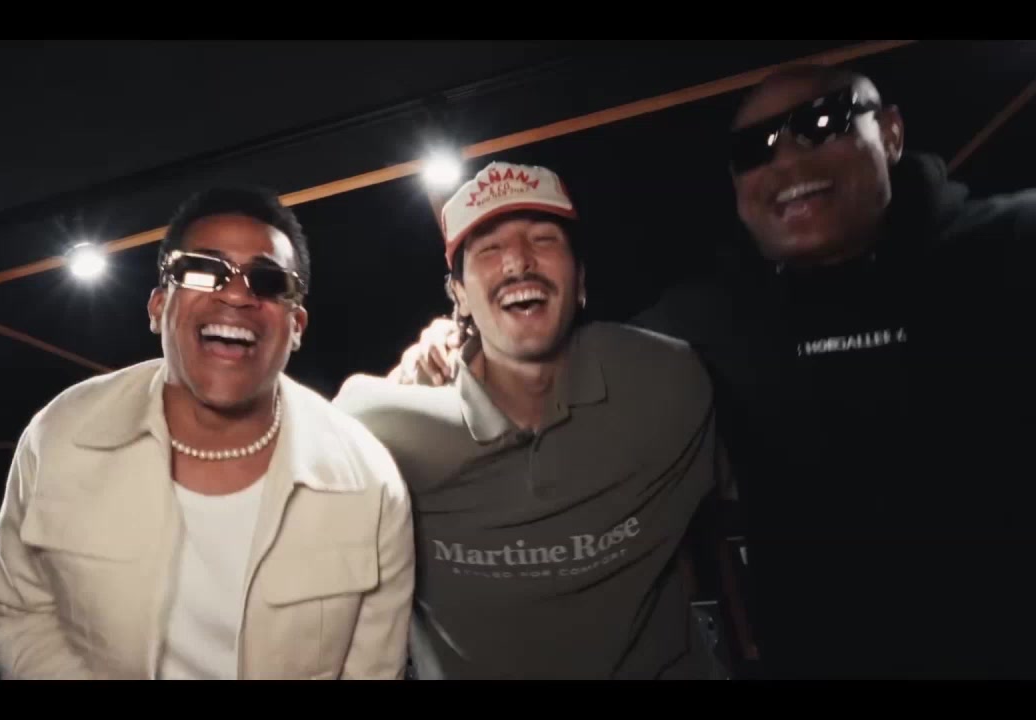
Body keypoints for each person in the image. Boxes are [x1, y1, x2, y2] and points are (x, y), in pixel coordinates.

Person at [392, 64, 1036, 678]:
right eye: (756, 148)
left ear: (890, 131)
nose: (788, 159)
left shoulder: (1010, 248)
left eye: (822, 122)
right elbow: (545, 346)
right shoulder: (706, 323)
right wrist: (450, 348)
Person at [0, 187, 415, 680]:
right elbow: (17, 613)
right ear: (157, 306)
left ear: (297, 326)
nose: (236, 295)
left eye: (268, 281)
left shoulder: (370, 483)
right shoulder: (59, 436)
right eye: (201, 270)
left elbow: (372, 672)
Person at [333, 161, 730, 679]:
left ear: (580, 279)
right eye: (489, 248)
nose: (518, 261)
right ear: (459, 296)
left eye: (544, 239)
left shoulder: (668, 381)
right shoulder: (381, 427)